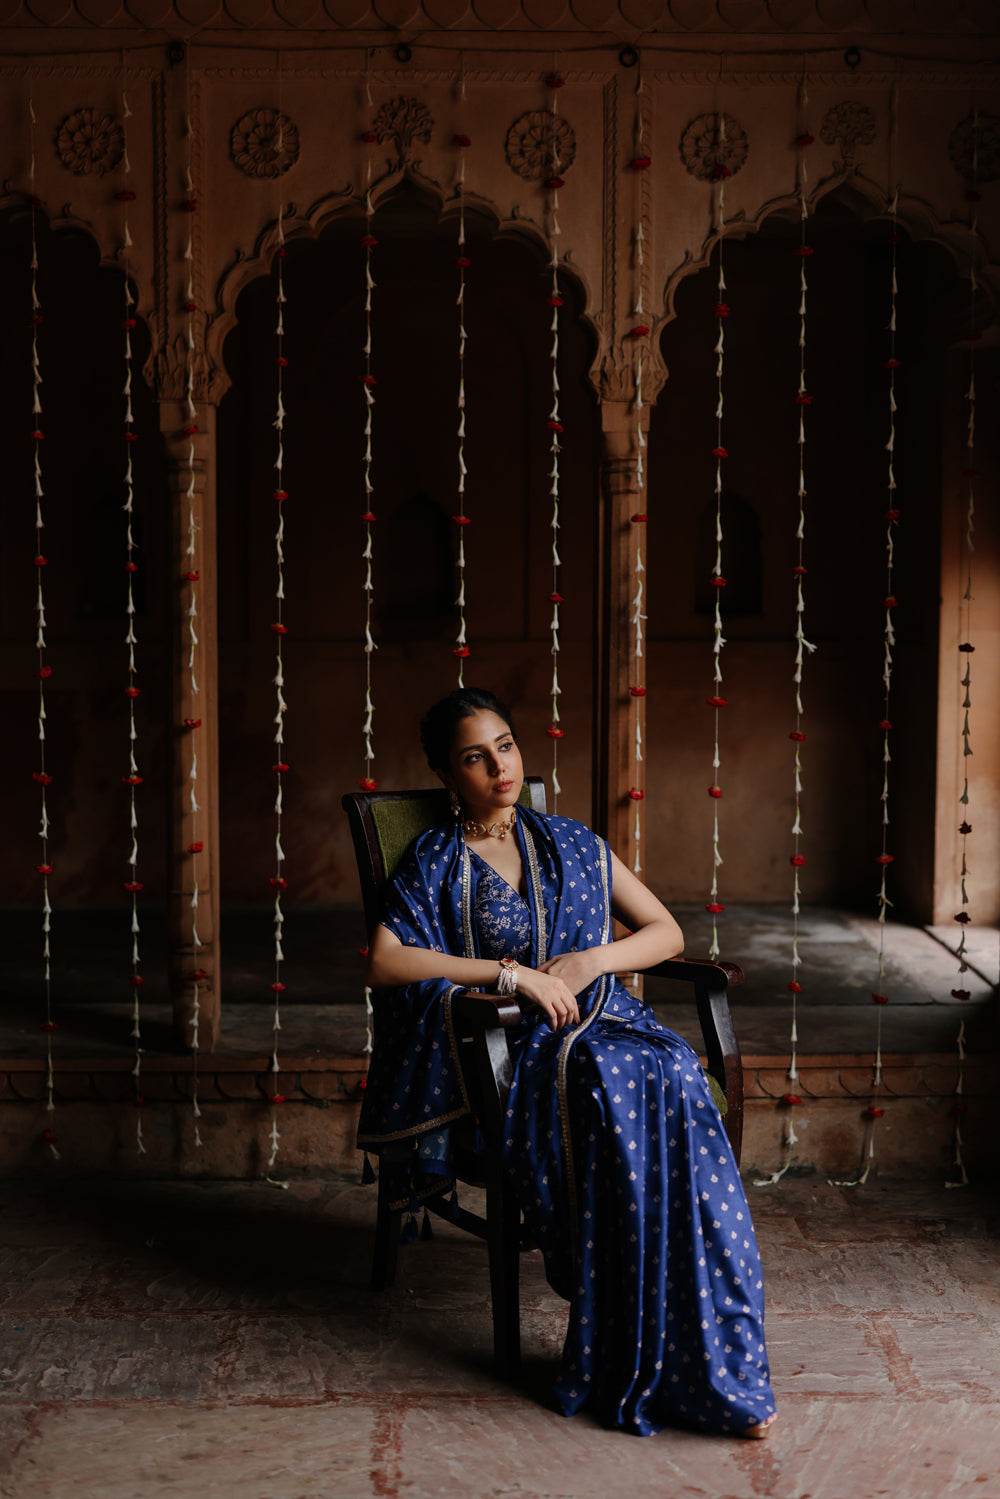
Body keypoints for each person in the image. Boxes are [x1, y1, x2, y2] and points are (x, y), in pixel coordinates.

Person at [358, 687, 776, 1439]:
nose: (499, 766)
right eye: (475, 757)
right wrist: (507, 975)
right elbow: (387, 961)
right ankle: (627, 1351)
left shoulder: (572, 843)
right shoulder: (437, 858)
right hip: (514, 1043)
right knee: (606, 1083)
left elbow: (666, 932)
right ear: (449, 775)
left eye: (507, 745)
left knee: (671, 1071)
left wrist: (589, 959)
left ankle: (720, 1364)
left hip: (608, 1021)